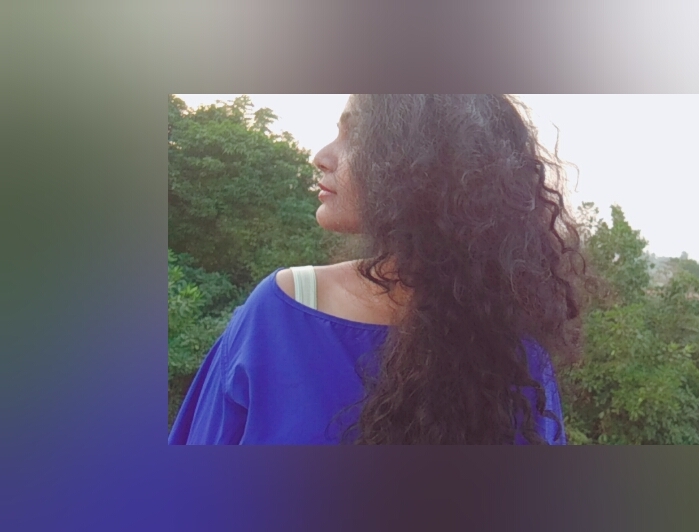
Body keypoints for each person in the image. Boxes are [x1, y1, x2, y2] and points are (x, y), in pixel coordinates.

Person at [169, 94, 587, 445]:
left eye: (355, 136)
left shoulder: (518, 359)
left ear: (420, 167)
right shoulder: (280, 316)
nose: (321, 157)